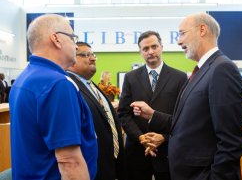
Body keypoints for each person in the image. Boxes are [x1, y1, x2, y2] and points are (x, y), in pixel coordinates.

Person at [130, 13, 242, 180]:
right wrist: (152, 115)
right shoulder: (202, 70)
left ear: (202, 30)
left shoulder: (222, 69)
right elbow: (187, 124)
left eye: (182, 33)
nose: (179, 41)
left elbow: (231, 140)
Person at [9, 14, 97, 180]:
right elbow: (69, 162)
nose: (76, 47)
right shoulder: (57, 84)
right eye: (72, 38)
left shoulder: (23, 79)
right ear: (56, 39)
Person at [118, 30, 187, 180]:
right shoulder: (131, 78)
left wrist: (165, 137)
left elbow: (184, 116)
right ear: (140, 52)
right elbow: (123, 114)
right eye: (145, 49)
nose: (150, 52)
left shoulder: (180, 78)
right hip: (137, 150)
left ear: (162, 47)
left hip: (168, 150)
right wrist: (141, 137)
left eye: (154, 46)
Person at [67, 42, 125, 180]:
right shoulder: (69, 86)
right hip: (91, 168)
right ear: (71, 59)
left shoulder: (92, 86)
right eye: (85, 55)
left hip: (109, 165)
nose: (92, 58)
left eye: (92, 54)